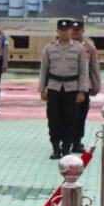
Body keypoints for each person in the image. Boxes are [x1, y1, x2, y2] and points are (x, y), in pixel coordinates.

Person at [39, 19, 89, 159]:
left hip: (71, 88)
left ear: (71, 31)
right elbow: (44, 70)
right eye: (61, 30)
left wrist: (82, 91)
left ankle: (66, 148)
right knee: (53, 118)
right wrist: (42, 90)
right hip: (54, 88)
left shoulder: (79, 48)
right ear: (57, 31)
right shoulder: (49, 48)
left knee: (70, 118)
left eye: (66, 30)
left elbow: (83, 71)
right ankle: (56, 148)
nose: (64, 32)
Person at [71, 20, 101, 152]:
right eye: (73, 30)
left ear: (83, 31)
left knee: (81, 115)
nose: (75, 32)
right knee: (66, 115)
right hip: (66, 85)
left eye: (78, 30)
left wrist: (96, 86)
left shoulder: (89, 47)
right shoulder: (61, 45)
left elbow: (94, 67)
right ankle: (65, 141)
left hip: (84, 85)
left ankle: (77, 142)